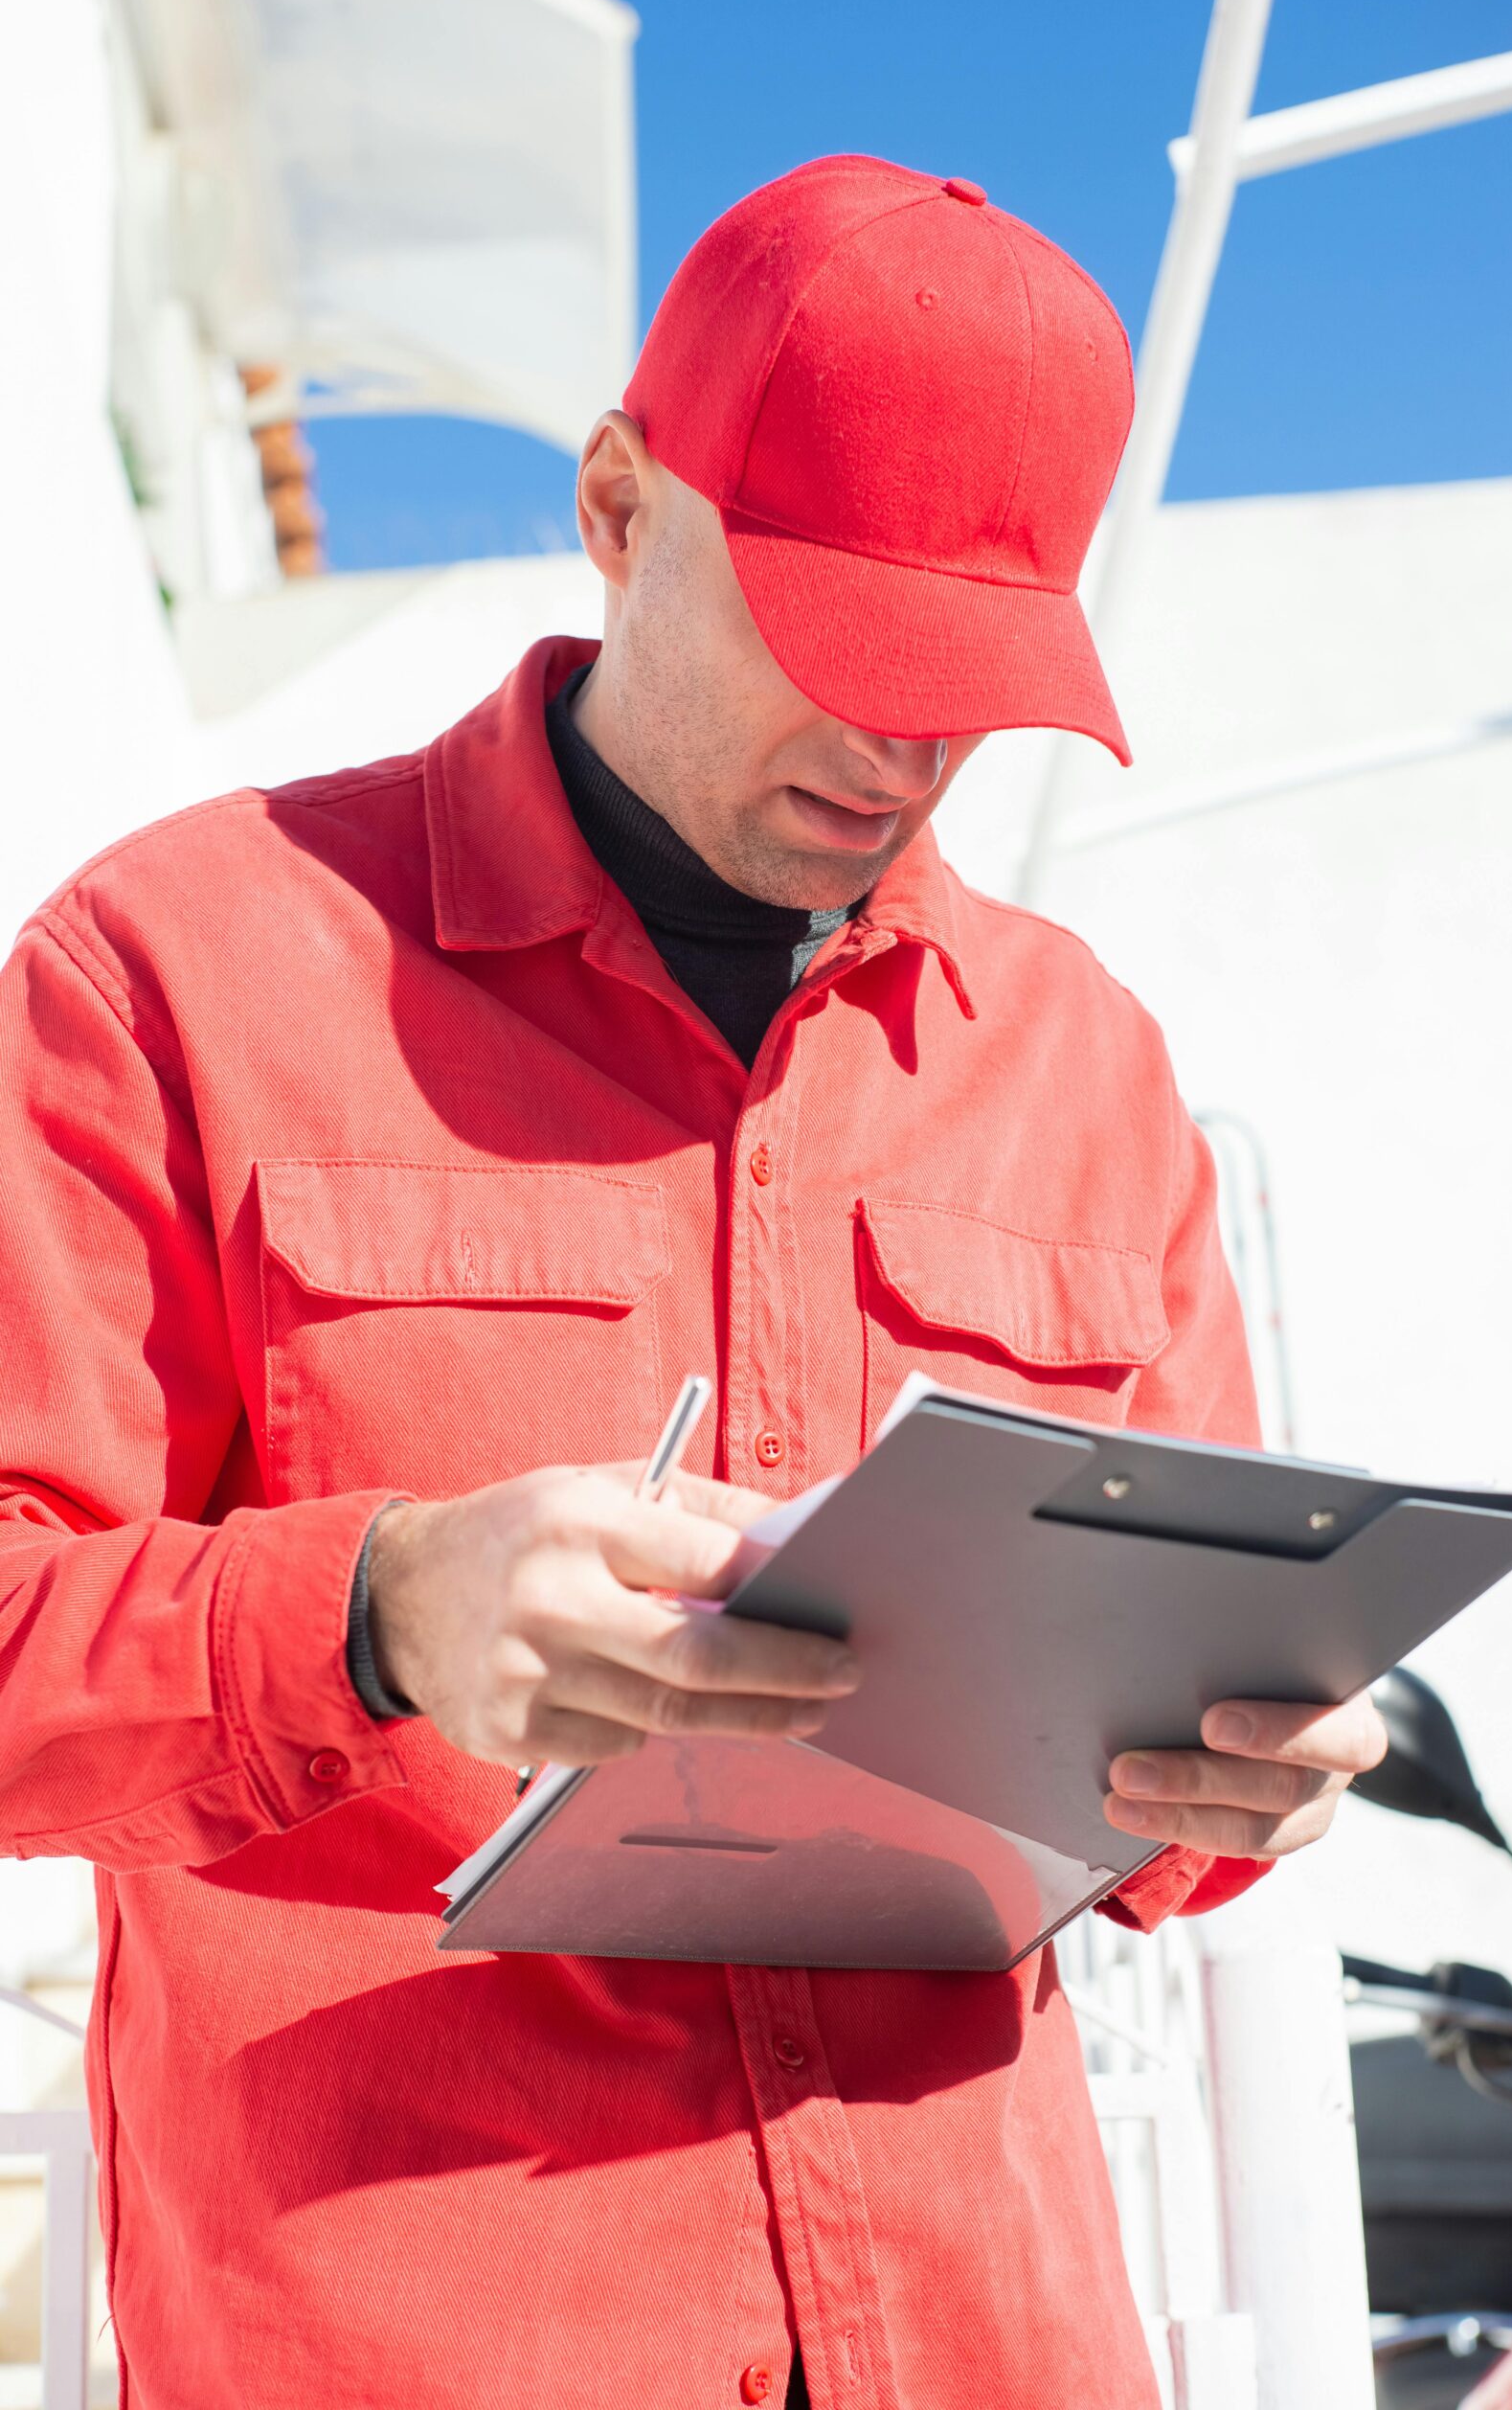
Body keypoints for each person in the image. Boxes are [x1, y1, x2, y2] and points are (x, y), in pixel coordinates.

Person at [0, 154, 1384, 2409]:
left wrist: (1230, 1790)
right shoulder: (166, 975)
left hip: (994, 2339)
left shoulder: (1085, 1065)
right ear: (625, 507)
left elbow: (1163, 1805)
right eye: (846, 653)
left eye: (967, 687)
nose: (897, 756)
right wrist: (377, 1605)